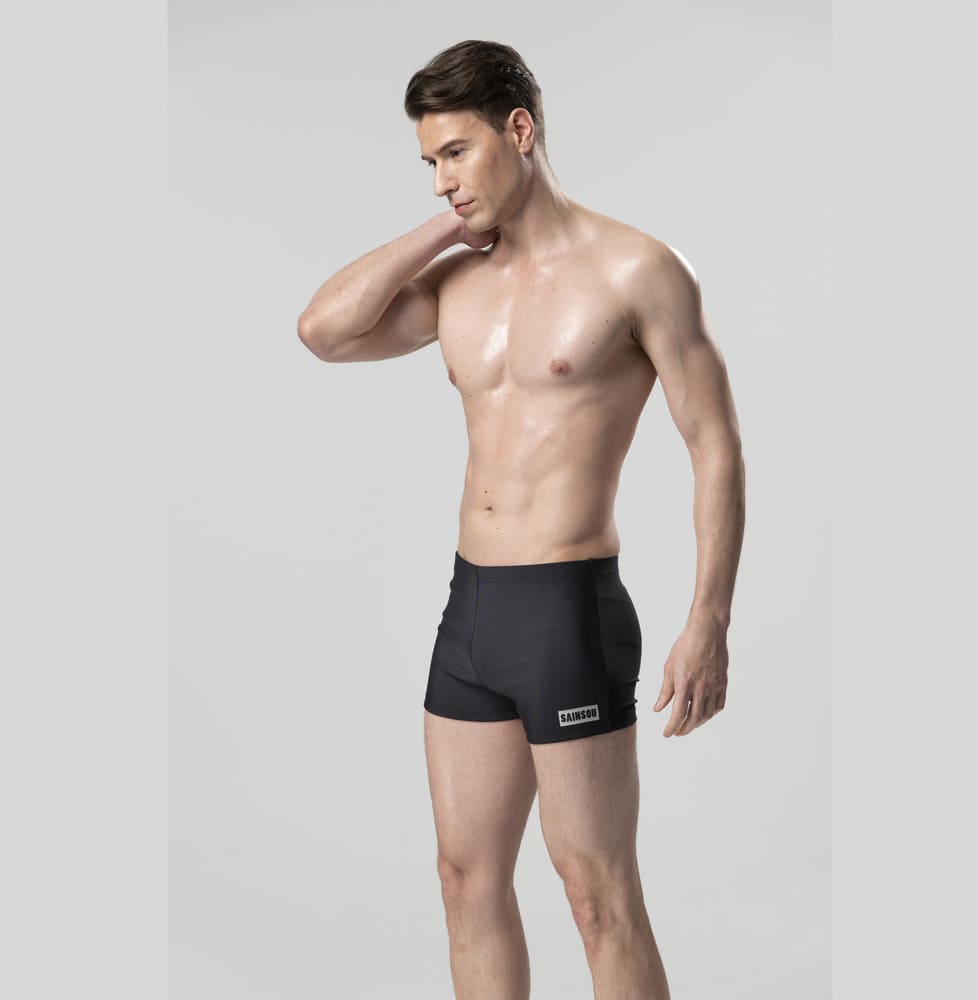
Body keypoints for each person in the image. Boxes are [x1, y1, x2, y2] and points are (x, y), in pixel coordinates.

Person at [297, 38, 745, 1000]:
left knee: (597, 894)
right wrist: (444, 231)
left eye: (456, 153)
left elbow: (715, 444)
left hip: (566, 613)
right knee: (465, 881)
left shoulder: (637, 269)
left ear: (520, 130)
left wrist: (709, 617)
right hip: (470, 613)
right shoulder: (460, 279)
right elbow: (323, 331)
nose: (441, 179)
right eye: (429, 162)